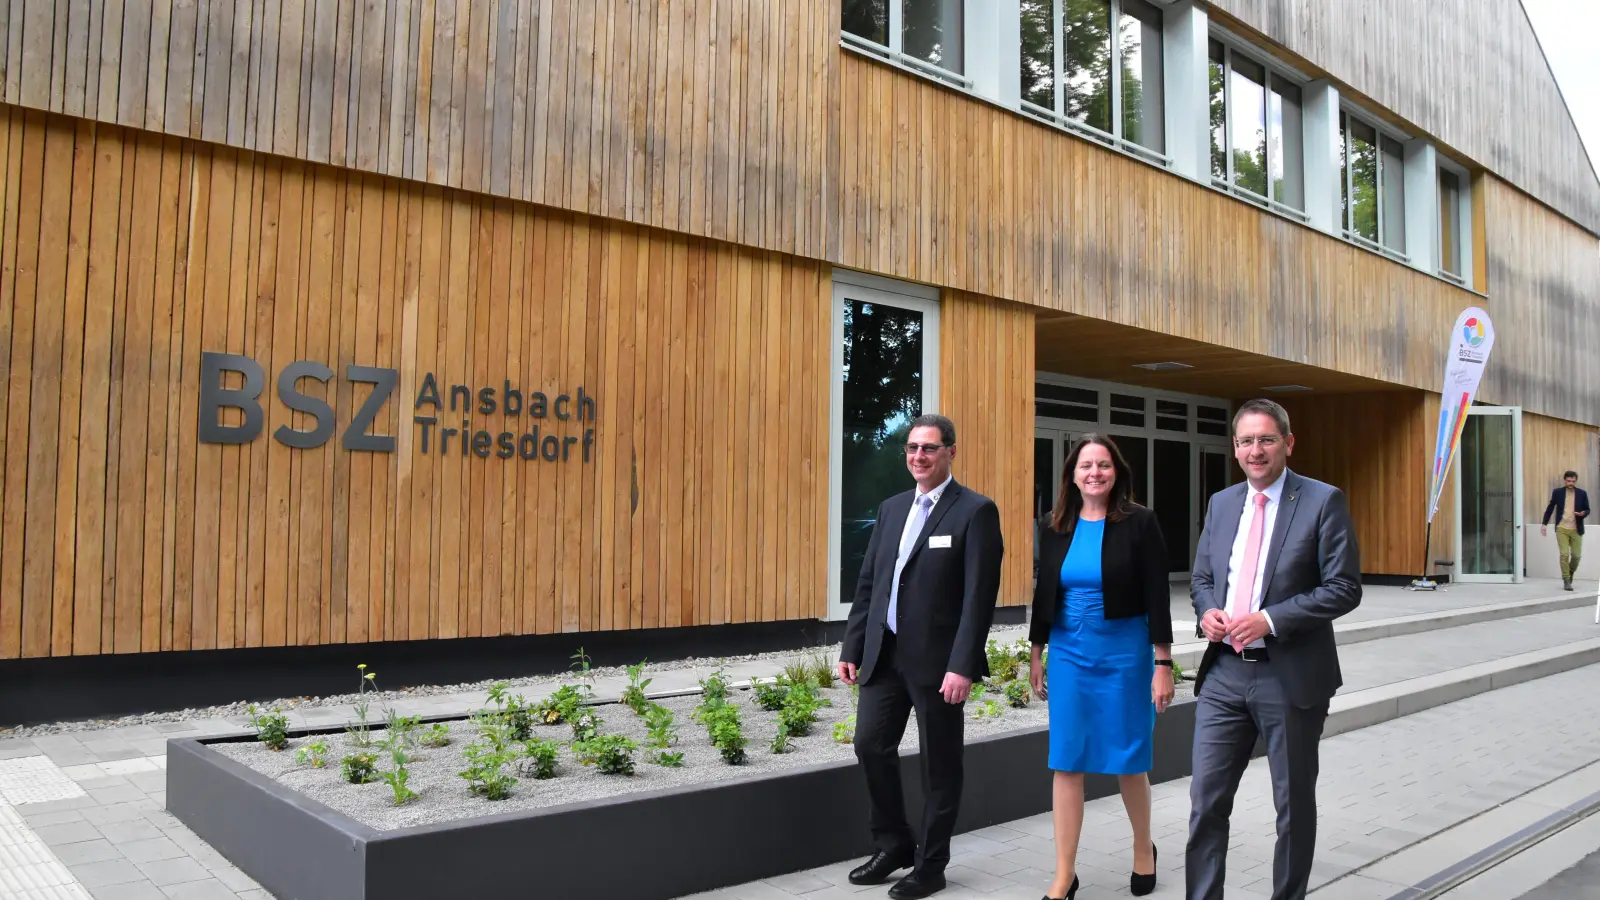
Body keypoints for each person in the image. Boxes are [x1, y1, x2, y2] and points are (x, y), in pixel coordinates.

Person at [1186, 399, 1362, 900]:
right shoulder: (1222, 503)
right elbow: (1201, 577)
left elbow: (1344, 587)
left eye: (1265, 439)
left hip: (1289, 676)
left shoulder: (1322, 501)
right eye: (1245, 441)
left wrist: (1268, 619)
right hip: (1223, 674)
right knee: (1205, 803)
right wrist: (1207, 611)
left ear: (1288, 443)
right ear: (1234, 449)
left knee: (1292, 807)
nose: (1255, 450)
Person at [838, 413, 1005, 900]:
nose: (918, 456)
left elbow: (979, 597)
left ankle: (931, 866)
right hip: (884, 656)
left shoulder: (975, 511)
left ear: (951, 451)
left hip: (938, 665)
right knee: (870, 745)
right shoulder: (892, 509)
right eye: (912, 448)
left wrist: (963, 664)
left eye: (929, 448)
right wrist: (853, 646)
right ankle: (893, 846)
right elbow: (869, 583)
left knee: (939, 765)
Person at [1028, 434, 1175, 900]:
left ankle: (1142, 849)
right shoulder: (1054, 525)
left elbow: (1157, 594)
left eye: (1104, 465)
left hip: (1124, 655)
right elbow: (1044, 591)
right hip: (1070, 652)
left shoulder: (1140, 522)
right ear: (1072, 474)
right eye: (1086, 465)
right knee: (1067, 760)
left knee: (1128, 758)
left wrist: (1163, 662)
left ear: (1116, 473)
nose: (1095, 473)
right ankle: (1064, 874)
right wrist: (1037, 652)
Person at [1541, 471, 1589, 591]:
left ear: (1575, 481)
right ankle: (1566, 580)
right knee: (1564, 554)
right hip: (1561, 528)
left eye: (1573, 481)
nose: (1571, 483)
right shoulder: (1558, 492)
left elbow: (1587, 509)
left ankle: (1570, 572)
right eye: (1568, 481)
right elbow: (1551, 507)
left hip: (1576, 529)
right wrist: (1544, 524)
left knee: (1576, 556)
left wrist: (1583, 513)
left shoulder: (1582, 493)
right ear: (1565, 480)